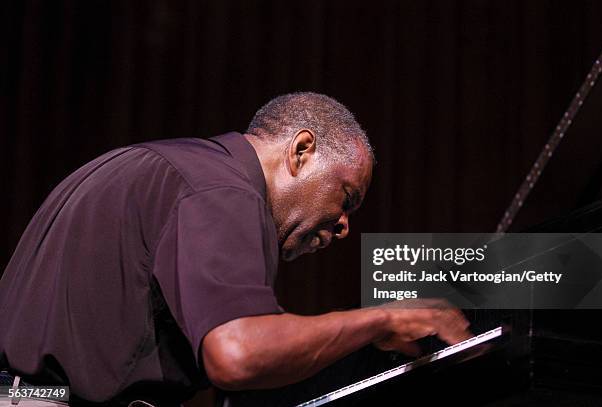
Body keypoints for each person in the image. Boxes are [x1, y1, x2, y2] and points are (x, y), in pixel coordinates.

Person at [0, 93, 470, 406]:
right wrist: (383, 318)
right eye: (346, 198)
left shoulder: (165, 168)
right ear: (301, 150)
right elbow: (237, 354)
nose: (345, 226)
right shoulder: (222, 191)